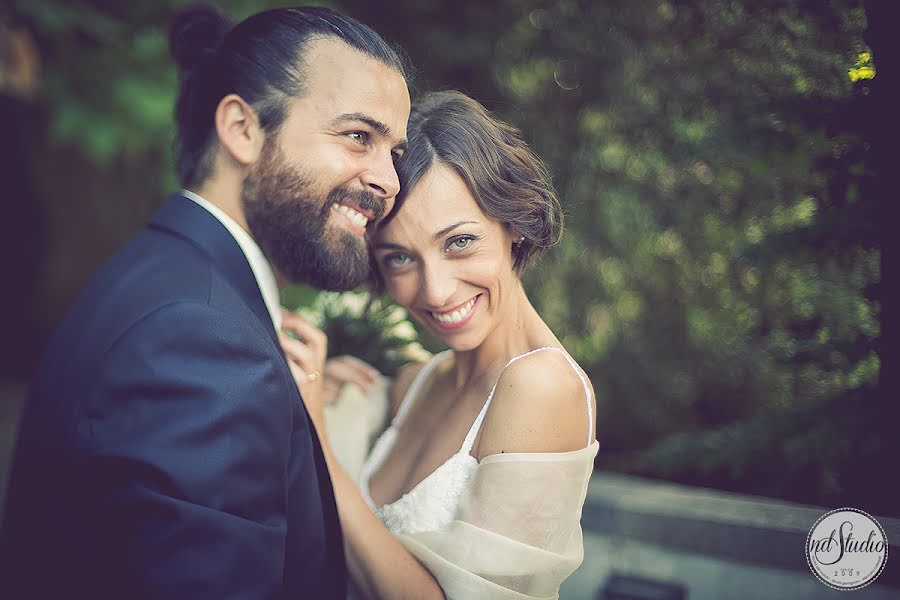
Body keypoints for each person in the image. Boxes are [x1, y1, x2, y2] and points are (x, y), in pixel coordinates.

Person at [0, 5, 410, 598]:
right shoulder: (202, 336)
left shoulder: (167, 278)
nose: (389, 180)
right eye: (358, 137)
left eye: (393, 151)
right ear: (242, 129)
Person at [286, 91, 598, 599]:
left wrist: (317, 439)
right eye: (399, 259)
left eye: (458, 242)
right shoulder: (423, 381)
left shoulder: (540, 385)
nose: (435, 290)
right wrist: (327, 381)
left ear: (512, 224)